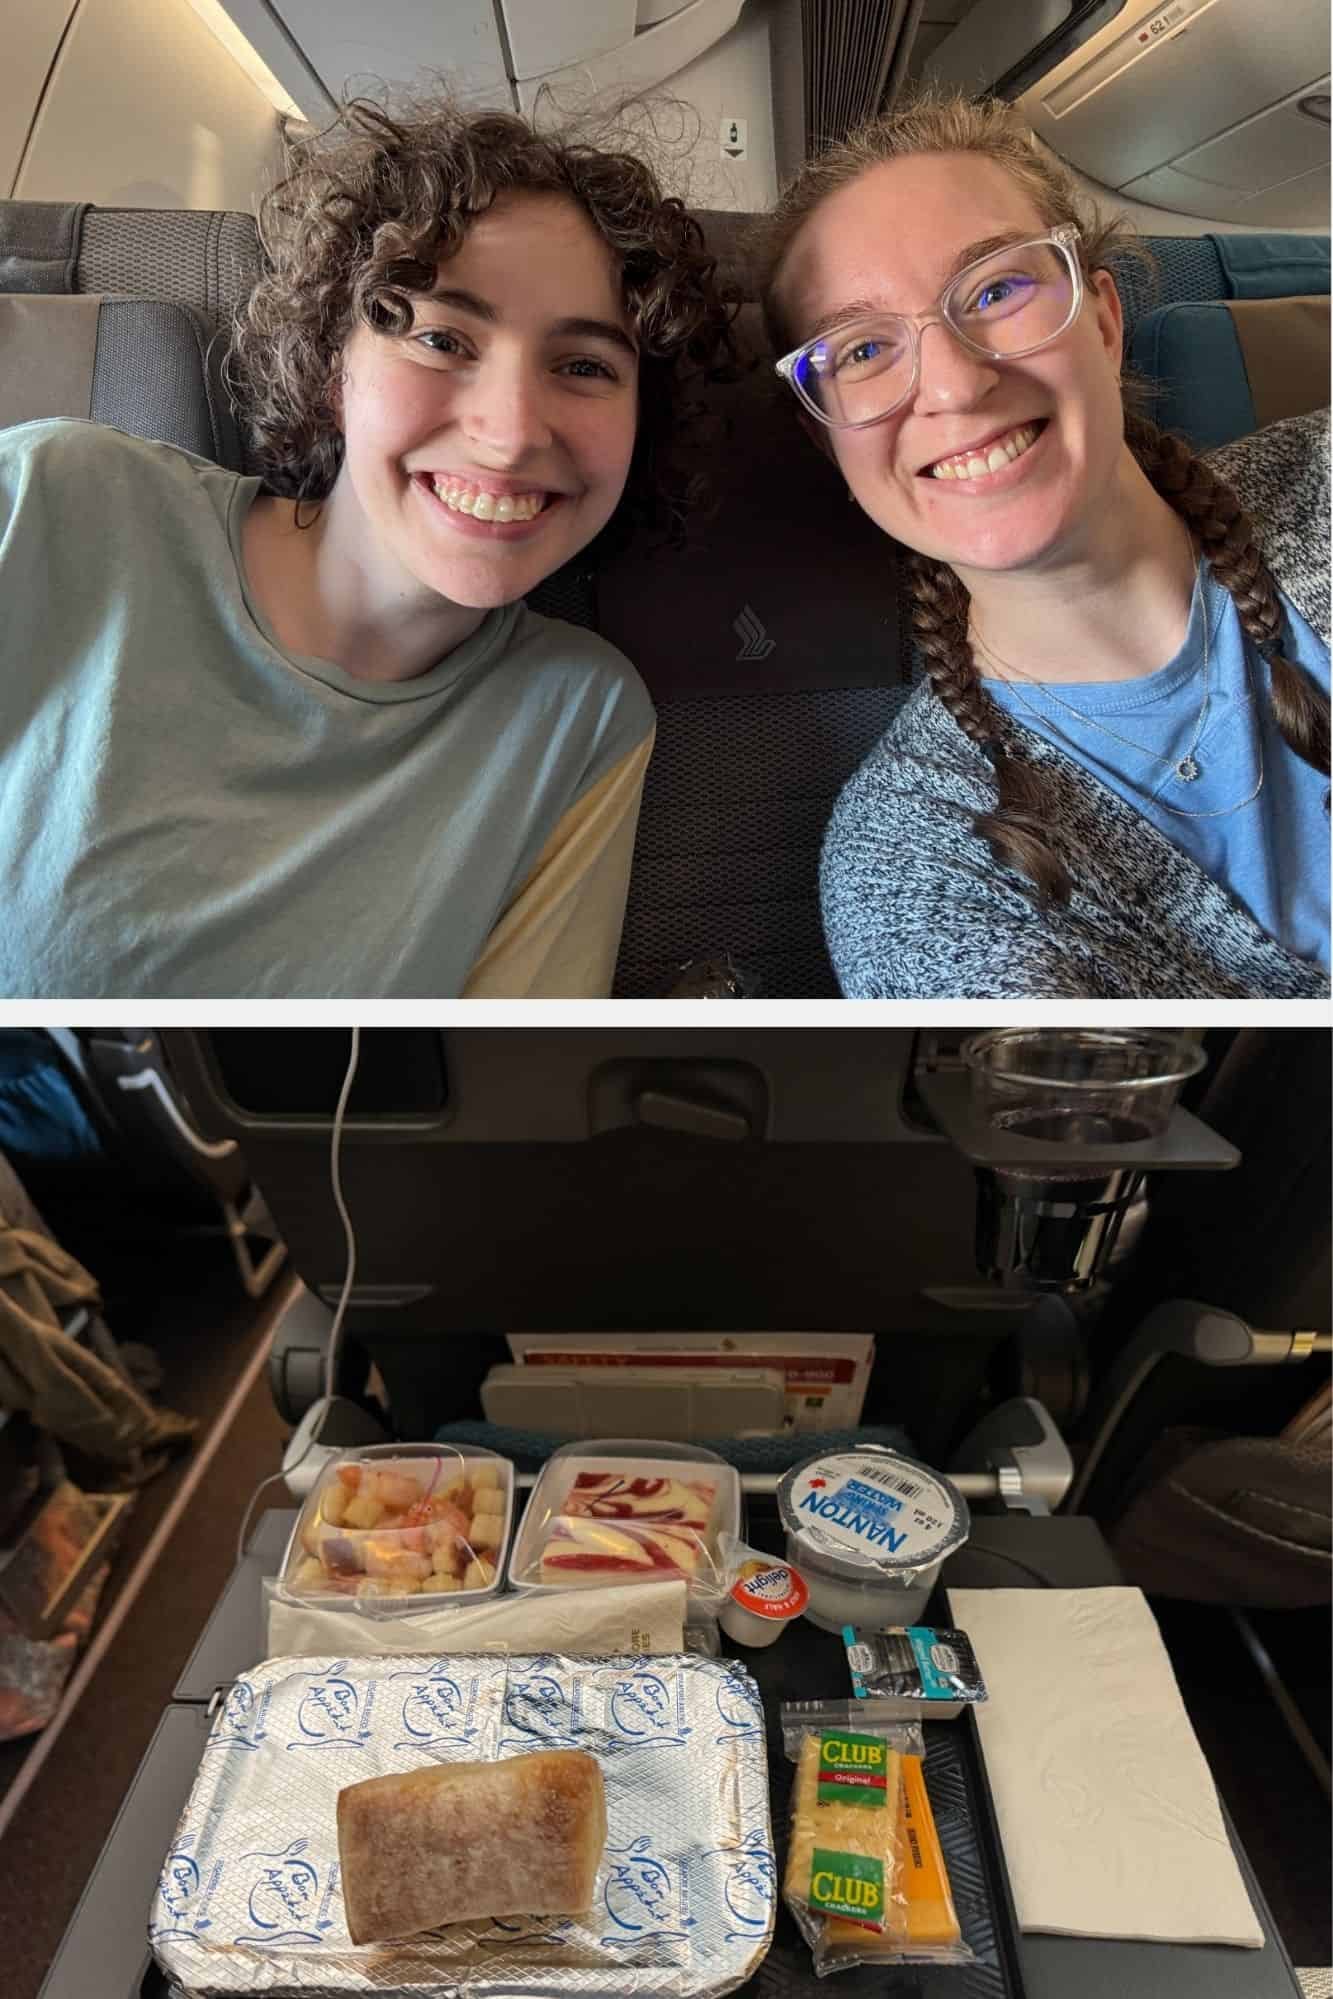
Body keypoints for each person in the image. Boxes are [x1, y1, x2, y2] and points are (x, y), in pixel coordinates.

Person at [0, 96, 732, 998]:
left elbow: (493, 1097)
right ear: (329, 361)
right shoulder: (54, 500)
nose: (506, 435)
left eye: (584, 366)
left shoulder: (579, 719)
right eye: (439, 338)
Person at [755, 90, 1330, 999]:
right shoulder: (915, 860)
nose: (951, 385)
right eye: (860, 351)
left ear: (1102, 321)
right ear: (829, 437)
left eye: (994, 290)